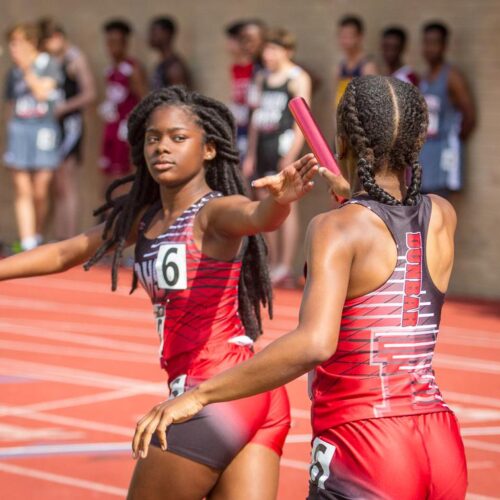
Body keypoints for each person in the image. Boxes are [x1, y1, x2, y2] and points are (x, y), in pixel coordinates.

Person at [133, 76, 467, 500]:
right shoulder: (443, 214)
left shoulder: (335, 227)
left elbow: (314, 343)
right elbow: (394, 227)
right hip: (440, 441)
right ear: (419, 139)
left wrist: (200, 396)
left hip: (365, 445)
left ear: (341, 142)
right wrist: (358, 198)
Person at [0, 86, 319, 499]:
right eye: (153, 138)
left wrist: (279, 203)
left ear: (208, 150)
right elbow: (67, 250)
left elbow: (257, 217)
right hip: (250, 394)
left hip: (216, 390)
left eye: (177, 137)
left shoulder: (213, 212)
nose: (162, 148)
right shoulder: (146, 219)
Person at [243, 28, 312, 288]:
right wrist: (249, 153)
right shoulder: (261, 77)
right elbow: (254, 120)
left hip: (282, 147)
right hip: (262, 145)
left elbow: (302, 122)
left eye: (274, 50)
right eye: (266, 50)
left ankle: (285, 263)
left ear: (287, 51)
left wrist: (292, 154)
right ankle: (272, 263)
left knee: (288, 203)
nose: (268, 55)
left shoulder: (297, 77)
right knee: (264, 199)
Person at [3, 23, 62, 251]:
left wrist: (27, 69)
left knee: (40, 189)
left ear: (31, 42)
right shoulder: (12, 72)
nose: (13, 48)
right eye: (11, 43)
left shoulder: (49, 64)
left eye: (18, 42)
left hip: (43, 130)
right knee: (22, 188)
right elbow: (10, 106)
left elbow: (41, 92)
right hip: (19, 130)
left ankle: (37, 234)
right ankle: (27, 241)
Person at [39, 18, 96, 239]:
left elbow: (89, 93)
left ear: (58, 37)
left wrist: (64, 108)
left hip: (70, 125)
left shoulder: (75, 57)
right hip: (51, 128)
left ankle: (69, 237)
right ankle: (61, 236)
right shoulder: (48, 60)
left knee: (67, 183)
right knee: (57, 186)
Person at [419, 21, 476, 195]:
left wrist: (451, 141)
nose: (430, 48)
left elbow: (469, 116)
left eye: (435, 43)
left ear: (444, 46)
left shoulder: (452, 76)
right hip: (424, 154)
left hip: (442, 154)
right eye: (426, 43)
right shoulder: (425, 77)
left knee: (439, 205)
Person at [98, 19, 147, 199]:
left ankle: (122, 214)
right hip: (111, 127)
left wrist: (135, 125)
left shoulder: (132, 68)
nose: (112, 47)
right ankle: (108, 215)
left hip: (125, 129)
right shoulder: (110, 70)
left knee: (123, 175)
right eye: (109, 42)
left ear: (125, 43)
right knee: (107, 174)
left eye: (116, 42)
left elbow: (144, 99)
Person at [225, 20, 254, 159]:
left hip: (253, 126)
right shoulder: (235, 68)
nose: (228, 46)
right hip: (239, 124)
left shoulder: (257, 68)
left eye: (231, 41)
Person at [334, 15, 377, 108]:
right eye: (342, 36)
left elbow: (373, 101)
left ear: (359, 37)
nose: (345, 40)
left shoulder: (368, 66)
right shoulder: (341, 66)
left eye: (349, 36)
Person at [149, 16, 191, 90]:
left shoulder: (174, 68)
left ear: (166, 34)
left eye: (154, 33)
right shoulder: (163, 64)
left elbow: (180, 98)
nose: (151, 37)